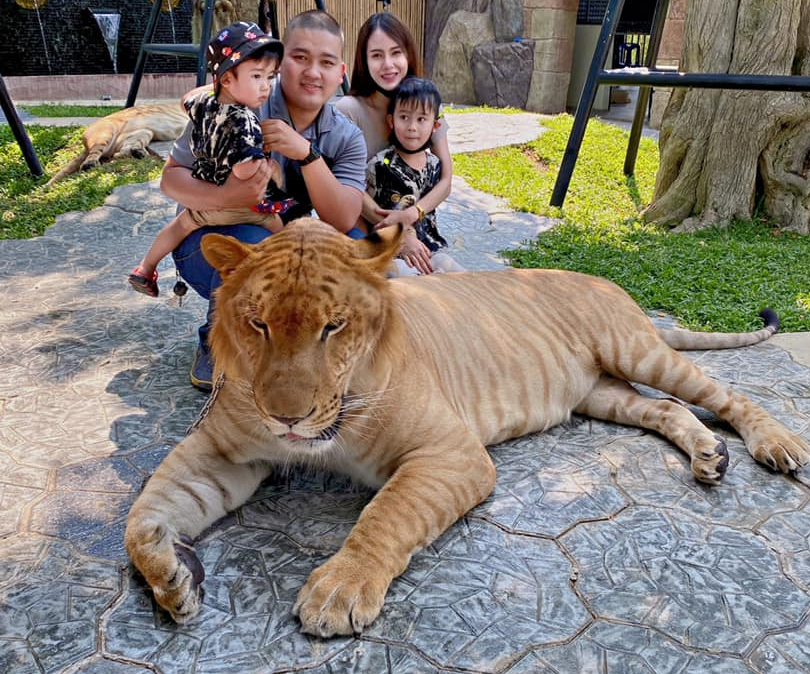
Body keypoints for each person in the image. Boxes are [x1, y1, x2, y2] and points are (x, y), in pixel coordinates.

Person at [161, 10, 367, 391]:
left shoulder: (346, 136)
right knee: (257, 250)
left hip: (278, 239)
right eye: (300, 57)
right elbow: (170, 179)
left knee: (358, 251)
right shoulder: (232, 103)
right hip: (207, 243)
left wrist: (306, 153)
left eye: (326, 63)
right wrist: (225, 195)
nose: (312, 73)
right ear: (279, 63)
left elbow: (343, 218)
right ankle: (217, 337)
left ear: (340, 73)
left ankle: (314, 343)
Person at [129, 22, 289, 297]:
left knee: (180, 225)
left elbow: (186, 100)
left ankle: (145, 268)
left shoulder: (205, 104)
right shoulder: (245, 120)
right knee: (277, 225)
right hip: (238, 204)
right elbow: (243, 171)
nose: (266, 87)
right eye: (256, 76)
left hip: (202, 196)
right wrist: (268, 166)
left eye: (270, 77)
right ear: (227, 79)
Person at [335, 13, 453, 234]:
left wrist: (412, 214)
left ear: (408, 54)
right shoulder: (348, 111)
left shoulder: (427, 106)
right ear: (364, 61)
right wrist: (398, 231)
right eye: (377, 55)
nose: (388, 64)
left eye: (396, 52)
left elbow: (446, 180)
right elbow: (347, 184)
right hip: (361, 227)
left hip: (414, 224)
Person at [367, 77, 464, 276]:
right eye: (404, 117)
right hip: (393, 250)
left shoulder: (434, 165)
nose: (412, 126)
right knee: (405, 275)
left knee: (448, 265)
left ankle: (480, 286)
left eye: (421, 119)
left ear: (435, 126)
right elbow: (372, 215)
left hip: (430, 247)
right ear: (391, 121)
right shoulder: (380, 165)